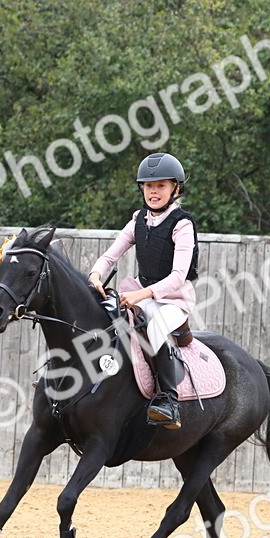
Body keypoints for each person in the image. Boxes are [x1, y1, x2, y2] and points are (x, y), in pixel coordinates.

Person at [88, 152, 199, 429]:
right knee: (106, 316)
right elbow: (110, 256)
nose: (153, 192)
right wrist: (95, 274)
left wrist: (141, 294)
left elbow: (178, 277)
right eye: (149, 186)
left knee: (155, 328)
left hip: (173, 302)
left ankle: (169, 400)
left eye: (160, 186)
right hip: (143, 295)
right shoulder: (138, 220)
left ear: (176, 188)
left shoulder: (182, 224)